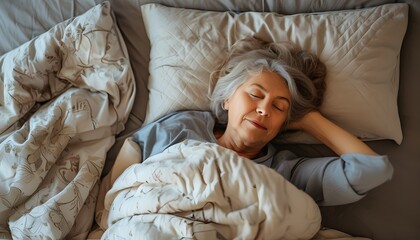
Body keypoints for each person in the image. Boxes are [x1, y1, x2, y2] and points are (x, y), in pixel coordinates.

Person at [102, 37, 393, 209]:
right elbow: (128, 168)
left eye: (279, 107)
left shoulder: (284, 172)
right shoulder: (184, 127)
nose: (264, 109)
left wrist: (309, 120)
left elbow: (371, 171)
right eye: (255, 94)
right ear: (226, 99)